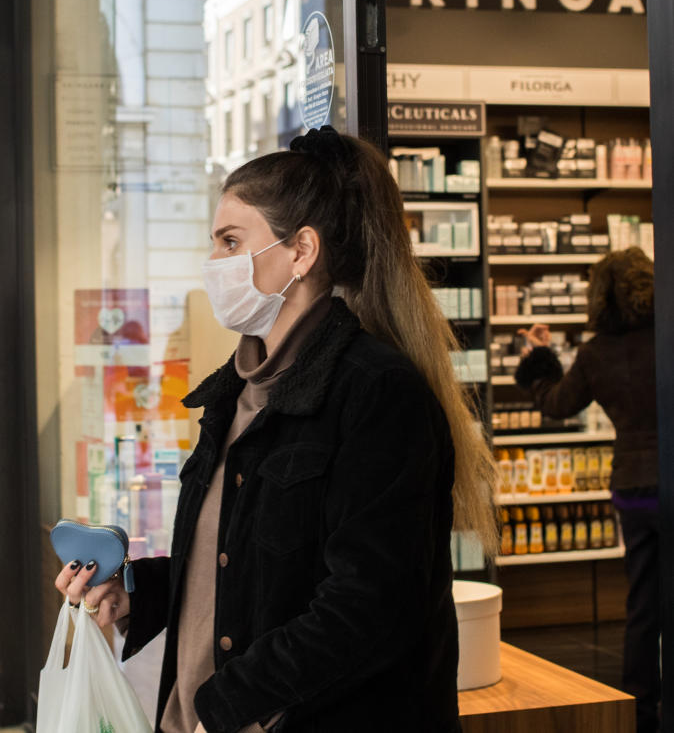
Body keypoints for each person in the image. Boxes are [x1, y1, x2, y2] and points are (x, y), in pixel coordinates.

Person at [55, 127, 496, 733]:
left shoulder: (375, 392)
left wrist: (229, 702)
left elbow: (367, 607)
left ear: (302, 251)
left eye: (231, 242)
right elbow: (239, 565)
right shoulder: (234, 392)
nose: (215, 265)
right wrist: (138, 593)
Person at [516, 247, 659, 733]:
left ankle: (640, 711)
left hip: (635, 489)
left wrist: (538, 358)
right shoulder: (665, 337)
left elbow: (556, 403)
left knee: (643, 602)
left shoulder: (598, 352)